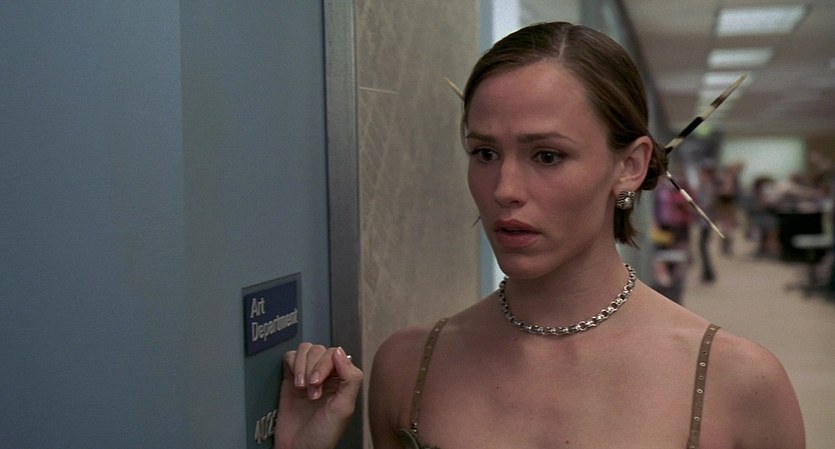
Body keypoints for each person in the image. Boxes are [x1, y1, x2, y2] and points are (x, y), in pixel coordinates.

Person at [275, 22, 805, 449]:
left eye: (547, 156)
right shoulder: (409, 366)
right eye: (485, 153)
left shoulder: (735, 381)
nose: (504, 189)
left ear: (630, 165)